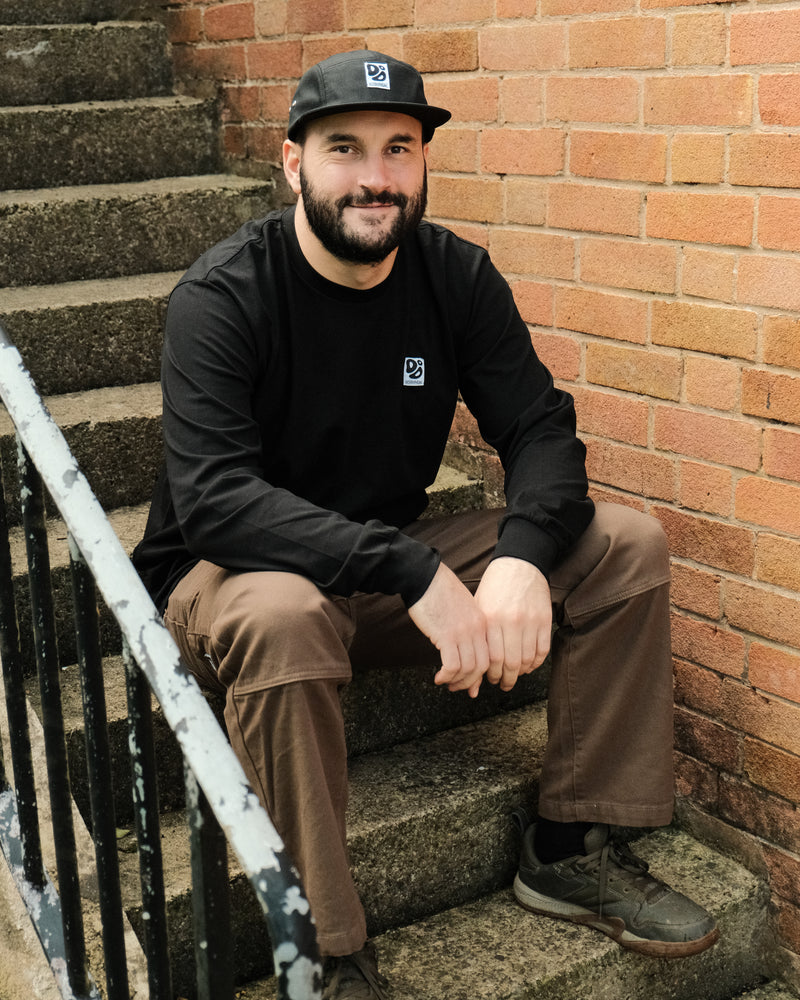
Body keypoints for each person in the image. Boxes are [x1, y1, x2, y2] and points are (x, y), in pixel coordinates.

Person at [133, 49, 718, 999]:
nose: (375, 177)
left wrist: (523, 561)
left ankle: (568, 847)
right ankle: (323, 947)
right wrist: (409, 568)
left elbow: (538, 427)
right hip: (235, 580)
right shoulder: (225, 295)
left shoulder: (452, 275)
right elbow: (216, 501)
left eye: (399, 149)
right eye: (344, 149)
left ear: (422, 164)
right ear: (293, 164)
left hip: (381, 577)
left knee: (624, 549)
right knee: (283, 615)